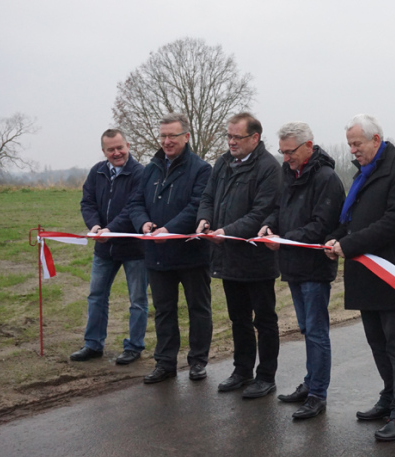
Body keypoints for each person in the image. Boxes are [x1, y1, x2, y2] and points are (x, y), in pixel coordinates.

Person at [325, 114, 395, 441]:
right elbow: (351, 220)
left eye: (357, 144)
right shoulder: (363, 175)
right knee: (377, 342)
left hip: (394, 274)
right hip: (365, 273)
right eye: (350, 144)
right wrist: (334, 239)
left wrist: (347, 244)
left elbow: (393, 222)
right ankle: (389, 396)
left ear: (376, 140)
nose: (352, 150)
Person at [259, 122, 345, 419]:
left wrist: (282, 240)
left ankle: (318, 393)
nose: (285, 158)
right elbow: (278, 209)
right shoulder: (287, 174)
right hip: (292, 264)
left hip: (314, 266)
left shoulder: (327, 179)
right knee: (306, 329)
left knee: (317, 332)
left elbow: (321, 226)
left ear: (308, 145)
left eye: (290, 152)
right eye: (281, 152)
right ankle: (309, 384)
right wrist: (270, 227)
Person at [196, 113, 282, 399]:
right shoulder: (221, 163)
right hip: (227, 257)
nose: (231, 142)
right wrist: (205, 219)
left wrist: (228, 230)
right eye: (229, 136)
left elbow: (261, 211)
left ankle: (266, 375)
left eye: (237, 137)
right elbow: (207, 197)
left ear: (254, 138)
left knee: (264, 320)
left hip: (256, 260)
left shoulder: (269, 168)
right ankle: (242, 370)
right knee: (238, 318)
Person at [128, 112, 212, 384]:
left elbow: (197, 205)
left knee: (198, 308)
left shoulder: (201, 169)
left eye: (172, 136)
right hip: (157, 254)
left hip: (191, 253)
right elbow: (136, 203)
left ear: (186, 137)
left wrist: (170, 229)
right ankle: (165, 363)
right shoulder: (150, 168)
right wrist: (144, 224)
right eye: (162, 136)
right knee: (164, 311)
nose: (166, 141)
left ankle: (198, 361)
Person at [72, 129, 148, 365]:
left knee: (137, 299)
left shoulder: (140, 173)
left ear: (127, 145)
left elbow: (133, 208)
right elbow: (88, 202)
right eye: (110, 149)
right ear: (103, 151)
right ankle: (93, 344)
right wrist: (95, 226)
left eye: (120, 148)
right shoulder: (97, 172)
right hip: (104, 249)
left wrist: (111, 229)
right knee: (96, 296)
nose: (116, 153)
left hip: (134, 248)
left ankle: (134, 347)